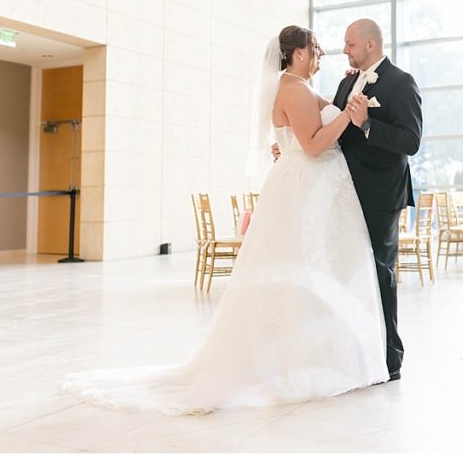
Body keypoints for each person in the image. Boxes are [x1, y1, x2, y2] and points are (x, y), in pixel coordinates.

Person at [62, 26, 389, 414]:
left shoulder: (297, 86)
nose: (322, 54)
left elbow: (307, 127)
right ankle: (299, 363)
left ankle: (322, 355)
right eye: (315, 48)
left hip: (314, 190)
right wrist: (350, 118)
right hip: (308, 187)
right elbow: (315, 145)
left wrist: (347, 98)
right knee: (306, 270)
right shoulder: (294, 89)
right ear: (298, 53)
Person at [332, 18, 422, 382]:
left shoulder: (401, 83)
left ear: (370, 45)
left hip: (381, 194)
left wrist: (369, 123)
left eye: (350, 44)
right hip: (343, 192)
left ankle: (389, 359)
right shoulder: (344, 83)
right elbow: (336, 133)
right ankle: (355, 352)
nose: (345, 50)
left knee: (379, 272)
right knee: (348, 273)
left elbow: (410, 141)